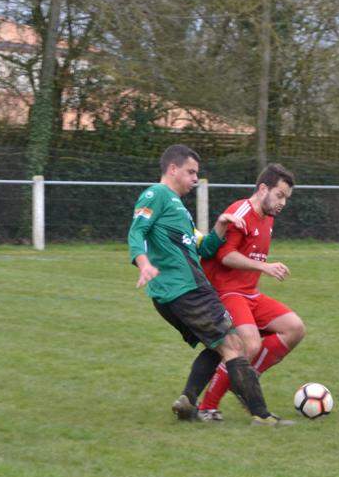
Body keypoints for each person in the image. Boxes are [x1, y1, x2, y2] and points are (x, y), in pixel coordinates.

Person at [127, 144, 291, 426]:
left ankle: (188, 400)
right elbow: (136, 231)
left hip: (168, 296)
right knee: (234, 346)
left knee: (216, 346)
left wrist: (219, 226)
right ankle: (262, 415)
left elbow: (203, 248)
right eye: (191, 172)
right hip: (187, 289)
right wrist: (143, 263)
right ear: (173, 169)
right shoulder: (157, 194)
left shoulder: (177, 209)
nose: (195, 179)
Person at [194, 164, 306, 421]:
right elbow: (225, 256)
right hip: (228, 293)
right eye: (279, 195)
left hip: (249, 294)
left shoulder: (269, 218)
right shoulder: (240, 212)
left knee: (295, 328)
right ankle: (207, 407)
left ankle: (245, 378)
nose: (283, 203)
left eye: (287, 198)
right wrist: (263, 266)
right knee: (250, 344)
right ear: (263, 189)